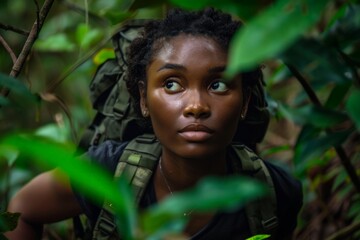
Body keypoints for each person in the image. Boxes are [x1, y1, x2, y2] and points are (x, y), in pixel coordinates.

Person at [5, 8, 302, 240]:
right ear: (144, 100)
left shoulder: (274, 193)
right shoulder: (109, 172)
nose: (196, 105)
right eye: (172, 84)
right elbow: (22, 209)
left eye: (219, 85)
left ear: (245, 102)